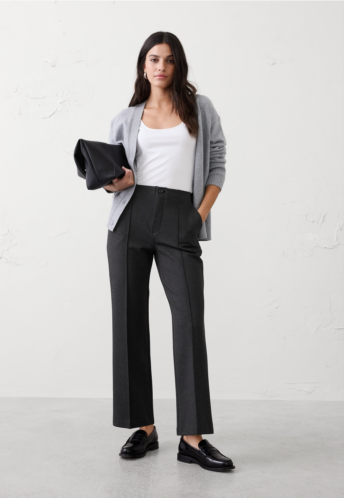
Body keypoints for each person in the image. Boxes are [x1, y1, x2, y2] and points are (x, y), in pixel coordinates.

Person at [103, 31, 234, 472]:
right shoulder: (126, 118)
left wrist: (198, 216)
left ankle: (192, 438)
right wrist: (115, 181)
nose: (161, 66)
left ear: (178, 66)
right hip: (130, 220)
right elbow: (113, 179)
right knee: (128, 320)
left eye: (170, 59)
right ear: (143, 66)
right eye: (154, 59)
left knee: (188, 320)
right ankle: (143, 426)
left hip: (181, 217)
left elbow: (217, 163)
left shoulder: (200, 109)